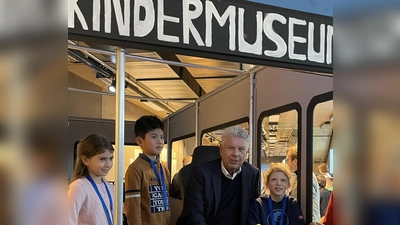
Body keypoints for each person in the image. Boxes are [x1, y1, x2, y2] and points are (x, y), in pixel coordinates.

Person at [176, 126, 260, 225]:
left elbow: (253, 213)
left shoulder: (252, 174)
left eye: (241, 149)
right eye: (230, 148)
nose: (236, 154)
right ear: (221, 150)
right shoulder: (200, 173)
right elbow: (194, 213)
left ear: (247, 153)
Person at [124, 115, 171, 225]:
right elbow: (133, 208)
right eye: (154, 137)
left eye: (162, 137)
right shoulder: (135, 169)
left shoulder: (164, 169)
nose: (160, 141)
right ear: (140, 141)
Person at [68, 134, 115, 225]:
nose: (108, 164)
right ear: (86, 160)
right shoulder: (79, 187)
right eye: (102, 159)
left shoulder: (110, 187)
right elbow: (68, 219)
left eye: (110, 158)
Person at [286, 146, 321, 223]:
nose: (287, 163)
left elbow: (312, 203)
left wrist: (312, 221)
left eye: (287, 160)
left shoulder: (307, 178)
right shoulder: (303, 176)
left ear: (295, 161)